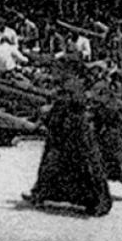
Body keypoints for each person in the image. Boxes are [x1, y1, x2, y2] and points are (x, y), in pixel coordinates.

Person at [24, 77, 112, 216]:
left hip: (73, 142)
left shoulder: (70, 104)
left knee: (85, 171)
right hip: (64, 142)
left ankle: (98, 202)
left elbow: (60, 118)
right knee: (52, 170)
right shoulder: (68, 101)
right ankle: (39, 195)